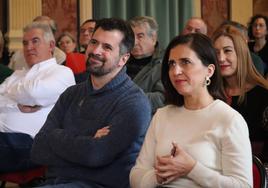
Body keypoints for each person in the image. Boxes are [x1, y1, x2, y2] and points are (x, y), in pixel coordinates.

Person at [31, 18, 151, 188]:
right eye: (94, 42)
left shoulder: (134, 102)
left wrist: (56, 138)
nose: (95, 51)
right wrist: (88, 140)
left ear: (123, 59)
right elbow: (38, 149)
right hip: (54, 182)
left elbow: (95, 155)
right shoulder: (71, 94)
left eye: (107, 47)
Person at [130, 33, 252, 188]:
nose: (175, 71)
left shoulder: (229, 119)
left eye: (185, 62)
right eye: (172, 64)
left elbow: (243, 185)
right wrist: (158, 176)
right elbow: (136, 176)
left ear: (209, 71)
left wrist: (191, 168)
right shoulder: (162, 115)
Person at [0, 22, 75, 173]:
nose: (28, 47)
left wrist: (8, 92)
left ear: (51, 45)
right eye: (25, 43)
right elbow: (28, 94)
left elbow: (33, 94)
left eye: (35, 41)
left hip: (31, 144)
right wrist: (15, 104)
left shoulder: (62, 72)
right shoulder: (17, 74)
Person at [213, 25, 268, 162]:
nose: (220, 58)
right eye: (216, 52)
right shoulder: (210, 93)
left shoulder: (263, 95)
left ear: (241, 53)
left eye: (227, 51)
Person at [127, 16, 165, 114]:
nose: (134, 42)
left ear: (153, 38)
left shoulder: (166, 62)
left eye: (140, 36)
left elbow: (162, 98)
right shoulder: (121, 60)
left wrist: (126, 98)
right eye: (131, 36)